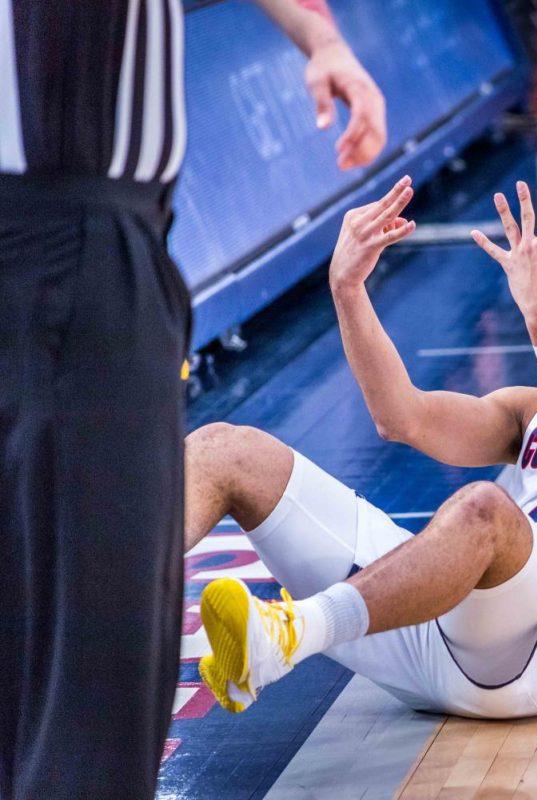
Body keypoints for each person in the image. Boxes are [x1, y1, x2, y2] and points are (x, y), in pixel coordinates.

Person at [0, 1, 385, 797]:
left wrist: (320, 36)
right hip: (74, 240)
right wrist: (321, 36)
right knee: (95, 663)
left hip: (73, 239)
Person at [187, 179, 537, 720]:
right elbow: (401, 417)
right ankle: (107, 606)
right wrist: (348, 289)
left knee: (485, 509)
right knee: (226, 451)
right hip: (430, 620)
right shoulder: (536, 411)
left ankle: (293, 632)